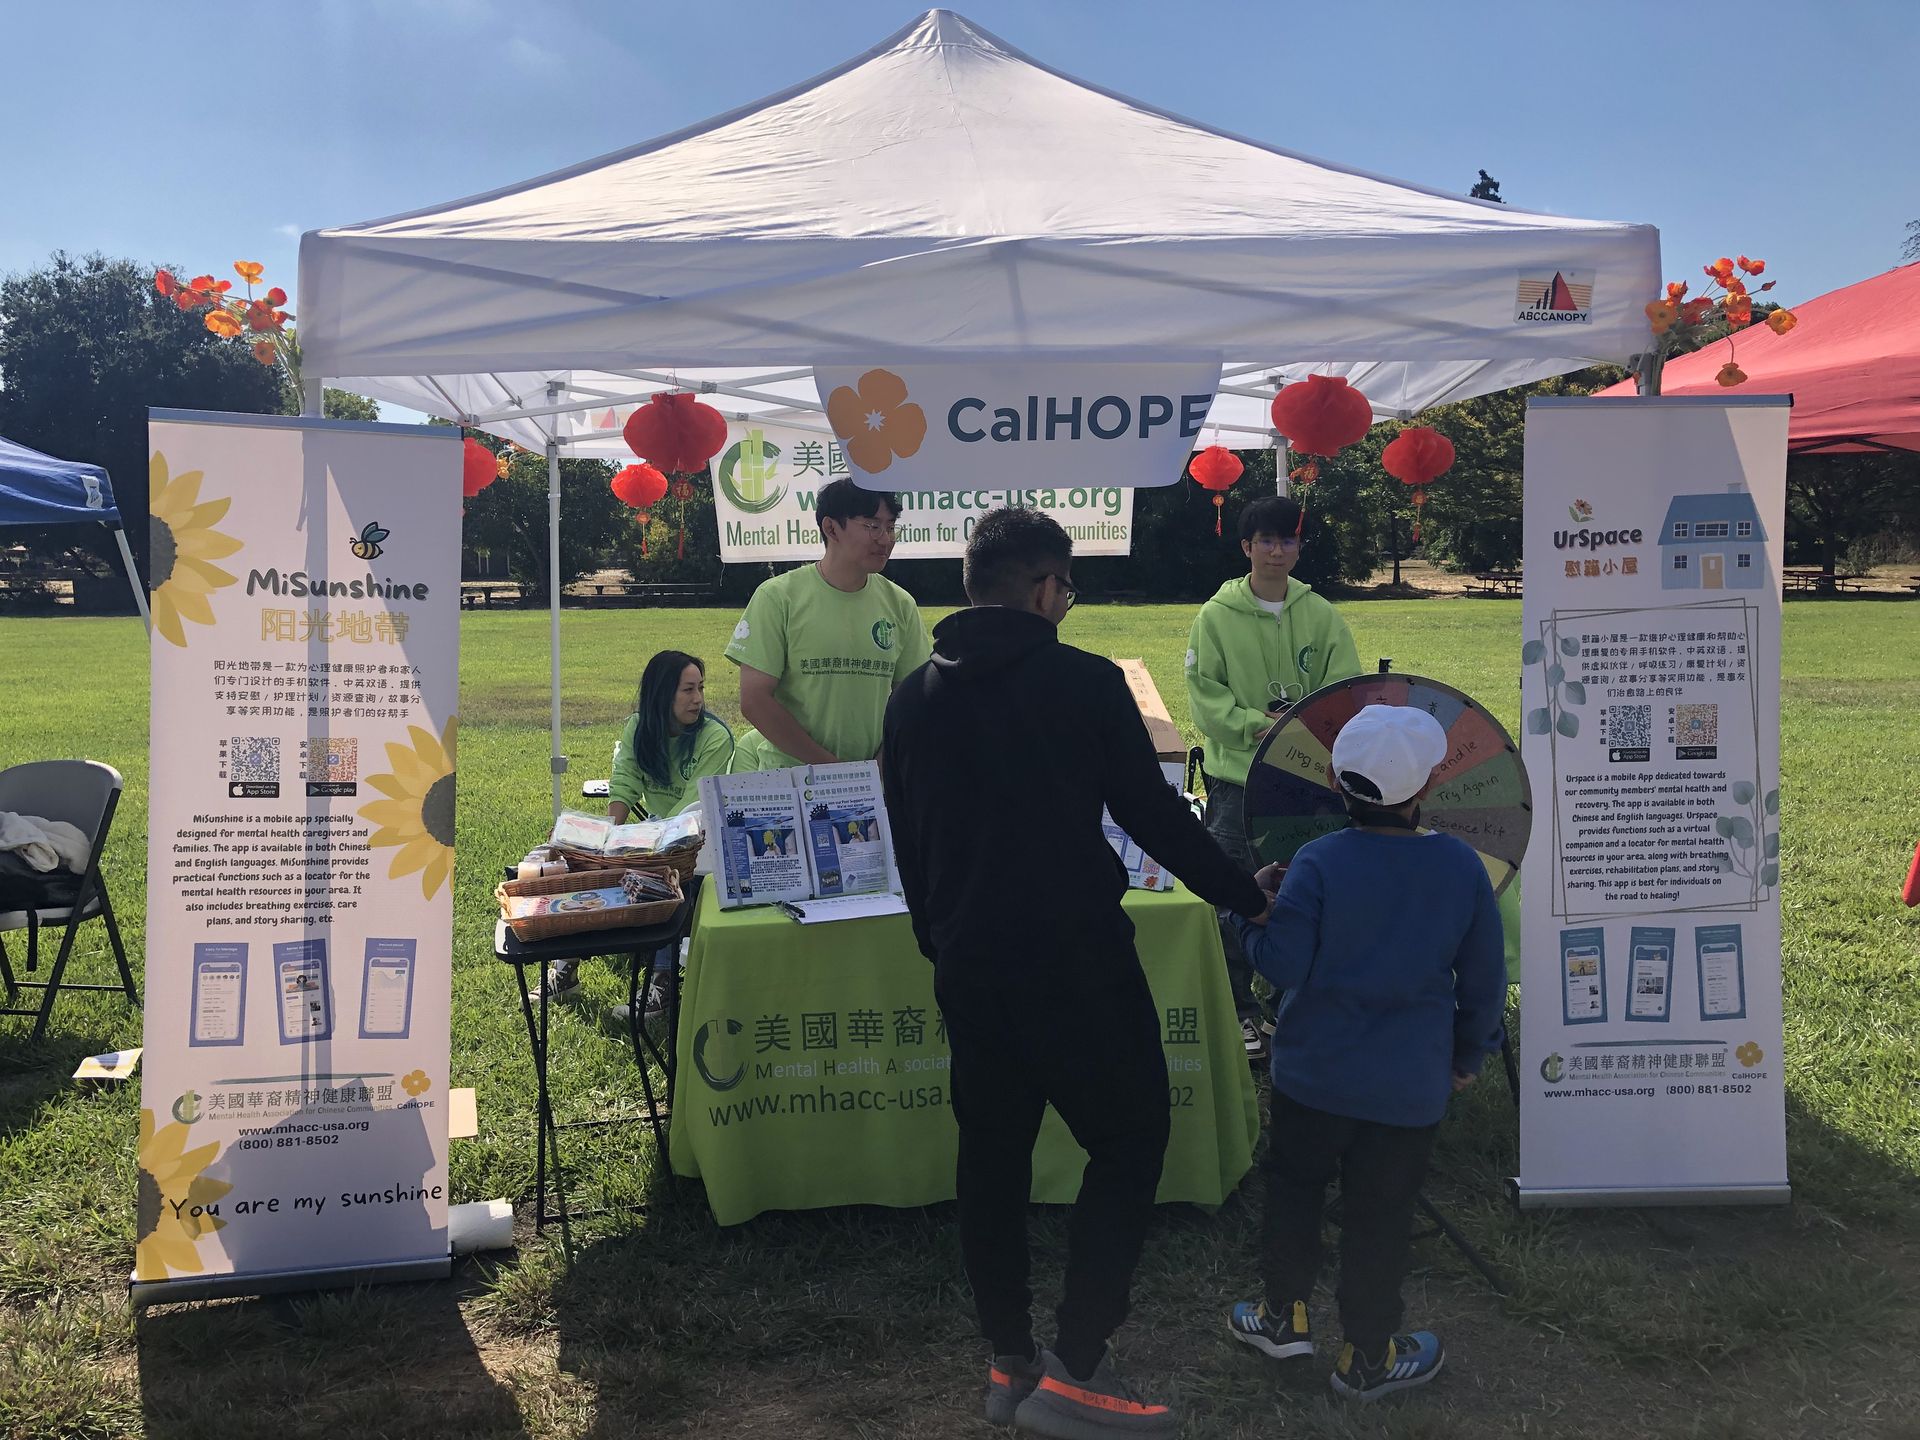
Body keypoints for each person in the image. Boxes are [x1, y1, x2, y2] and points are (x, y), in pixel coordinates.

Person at [881, 507, 1269, 1438]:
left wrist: (942, 941)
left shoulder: (913, 697)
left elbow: (908, 840)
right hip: (1076, 960)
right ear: (1046, 588)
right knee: (1132, 1138)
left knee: (992, 1158)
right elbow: (1158, 818)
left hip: (971, 964)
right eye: (1069, 588)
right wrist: (1244, 897)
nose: (1068, 603)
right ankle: (1079, 1365)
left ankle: (1008, 1358)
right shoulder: (1087, 683)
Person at [1224, 705, 1504, 1402]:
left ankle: (1283, 1319)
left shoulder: (1318, 862)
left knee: (1294, 1190)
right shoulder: (1461, 866)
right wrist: (1468, 1055)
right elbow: (1484, 979)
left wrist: (1244, 914)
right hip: (1407, 1087)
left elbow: (1283, 963)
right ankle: (1368, 1358)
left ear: (1334, 780)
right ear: (1425, 787)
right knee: (1381, 1216)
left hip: (1311, 1078)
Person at [1185, 493, 1362, 1061]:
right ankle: (1239, 1011)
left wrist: (1301, 730)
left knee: (1305, 888)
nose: (1277, 551)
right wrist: (1253, 727)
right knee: (1234, 890)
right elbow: (1205, 696)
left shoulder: (1321, 614)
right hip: (1235, 779)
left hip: (1308, 779)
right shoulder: (1216, 616)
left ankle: (1295, 1008)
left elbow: (1345, 689)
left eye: (1288, 540)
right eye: (1266, 540)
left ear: (1299, 548)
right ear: (1247, 547)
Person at [545, 651, 732, 1009]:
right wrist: (603, 844)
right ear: (662, 694)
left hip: (696, 845)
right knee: (582, 870)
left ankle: (661, 987)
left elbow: (691, 809)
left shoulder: (715, 736)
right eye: (688, 690)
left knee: (667, 883)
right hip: (650, 837)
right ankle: (565, 971)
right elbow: (625, 783)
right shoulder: (638, 727)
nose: (698, 699)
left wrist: (641, 849)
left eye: (701, 688)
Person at [726, 478, 931, 769]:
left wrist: (878, 768)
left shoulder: (900, 604)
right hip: (792, 782)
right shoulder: (778, 597)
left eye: (890, 527)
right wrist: (832, 769)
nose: (885, 539)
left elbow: (912, 701)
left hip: (872, 782)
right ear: (831, 528)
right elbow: (754, 700)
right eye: (873, 526)